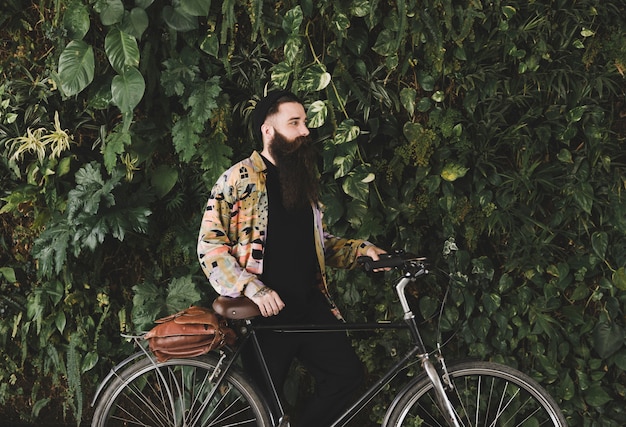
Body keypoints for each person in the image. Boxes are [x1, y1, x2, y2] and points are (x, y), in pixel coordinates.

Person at [197, 90, 387, 426]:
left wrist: (362, 250)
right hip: (265, 312)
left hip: (309, 305)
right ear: (268, 130)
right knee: (262, 408)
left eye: (304, 123)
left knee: (347, 376)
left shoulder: (301, 181)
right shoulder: (237, 179)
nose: (305, 131)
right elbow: (210, 246)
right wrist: (252, 287)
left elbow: (320, 244)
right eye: (294, 123)